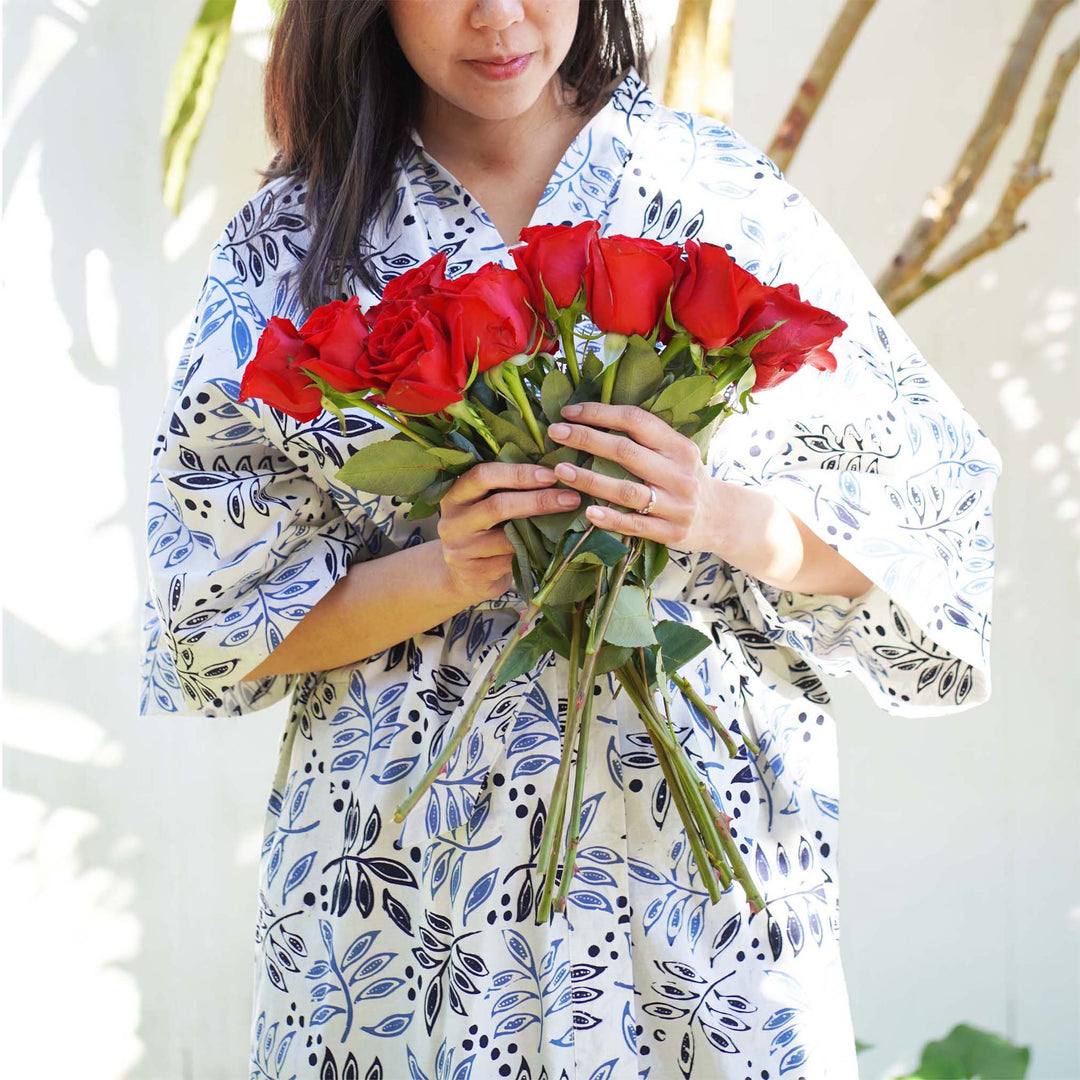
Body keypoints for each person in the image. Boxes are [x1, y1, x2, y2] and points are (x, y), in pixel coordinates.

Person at [139, 1, 1002, 1077]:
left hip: (703, 881)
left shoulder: (713, 189)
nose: (499, 17)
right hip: (407, 895)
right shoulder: (291, 242)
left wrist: (718, 515)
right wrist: (445, 568)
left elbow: (930, 517)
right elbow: (218, 625)